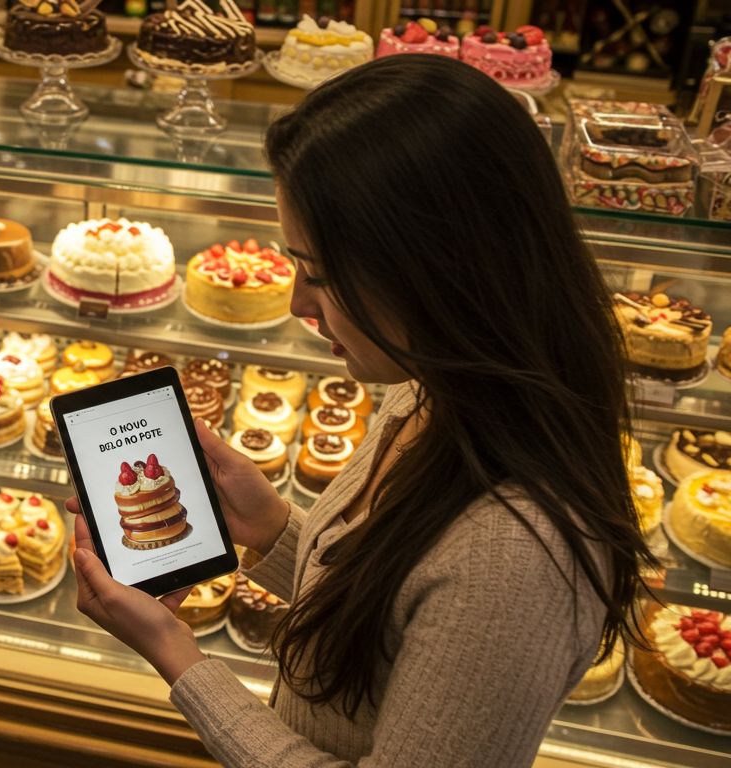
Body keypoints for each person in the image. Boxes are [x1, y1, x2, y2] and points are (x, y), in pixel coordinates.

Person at [69, 55, 656, 767]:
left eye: (318, 274)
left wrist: (180, 661)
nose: (297, 305)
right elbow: (397, 616)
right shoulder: (431, 391)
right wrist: (278, 532)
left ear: (433, 269)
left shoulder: (519, 558)